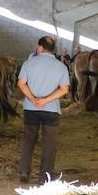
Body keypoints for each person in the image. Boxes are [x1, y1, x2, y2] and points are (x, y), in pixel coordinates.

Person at [17, 35, 71, 183]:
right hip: (51, 110)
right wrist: (46, 100)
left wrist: (33, 99)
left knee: (29, 140)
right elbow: (64, 89)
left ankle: (24, 172)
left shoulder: (29, 63)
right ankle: (44, 177)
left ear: (40, 47)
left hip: (30, 108)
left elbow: (21, 84)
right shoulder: (61, 67)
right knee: (49, 144)